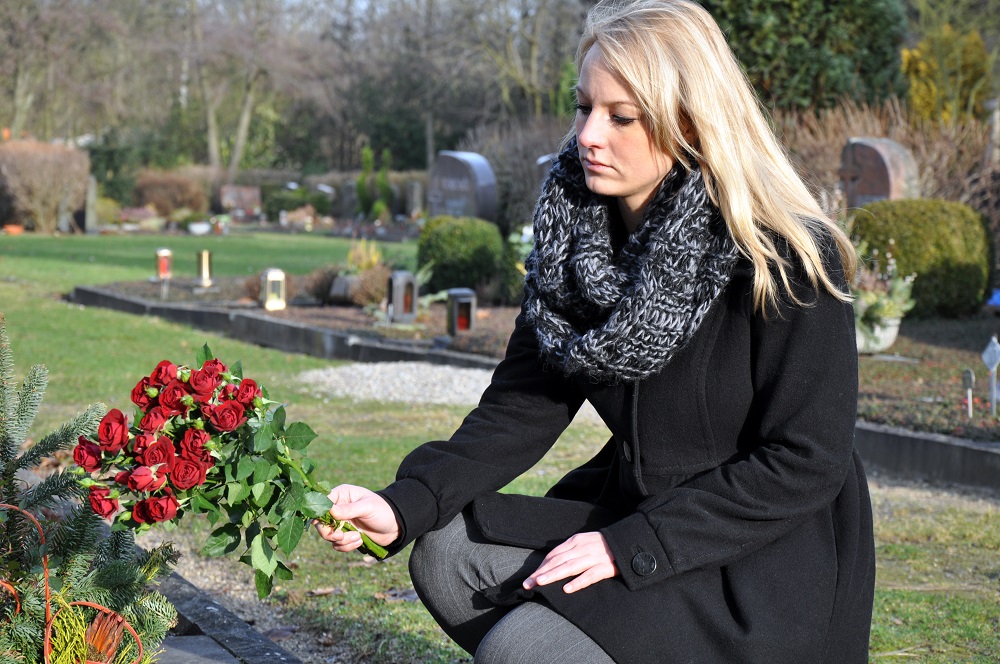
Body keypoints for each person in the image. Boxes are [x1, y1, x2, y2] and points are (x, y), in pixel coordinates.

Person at [316, 1, 875, 662]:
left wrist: (629, 546)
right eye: (585, 108)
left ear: (689, 122)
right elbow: (518, 412)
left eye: (621, 116)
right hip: (637, 517)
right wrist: (402, 504)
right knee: (446, 551)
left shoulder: (782, 259)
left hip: (759, 563)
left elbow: (804, 461)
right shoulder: (574, 245)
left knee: (521, 646)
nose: (589, 135)